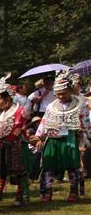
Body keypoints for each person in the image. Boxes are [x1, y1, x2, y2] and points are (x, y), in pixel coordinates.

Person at [34, 70, 89, 202]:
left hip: (71, 138)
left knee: (72, 165)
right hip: (53, 137)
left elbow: (86, 120)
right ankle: (47, 192)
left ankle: (73, 192)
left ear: (70, 90)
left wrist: (84, 135)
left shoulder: (80, 104)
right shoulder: (51, 106)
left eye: (63, 93)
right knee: (49, 165)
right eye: (58, 94)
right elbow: (44, 121)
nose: (60, 96)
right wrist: (39, 137)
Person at [0, 74, 30, 206]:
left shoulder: (19, 111)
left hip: (16, 144)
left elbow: (17, 128)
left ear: (6, 98)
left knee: (19, 171)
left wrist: (6, 140)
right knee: (0, 171)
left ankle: (22, 195)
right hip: (0, 145)